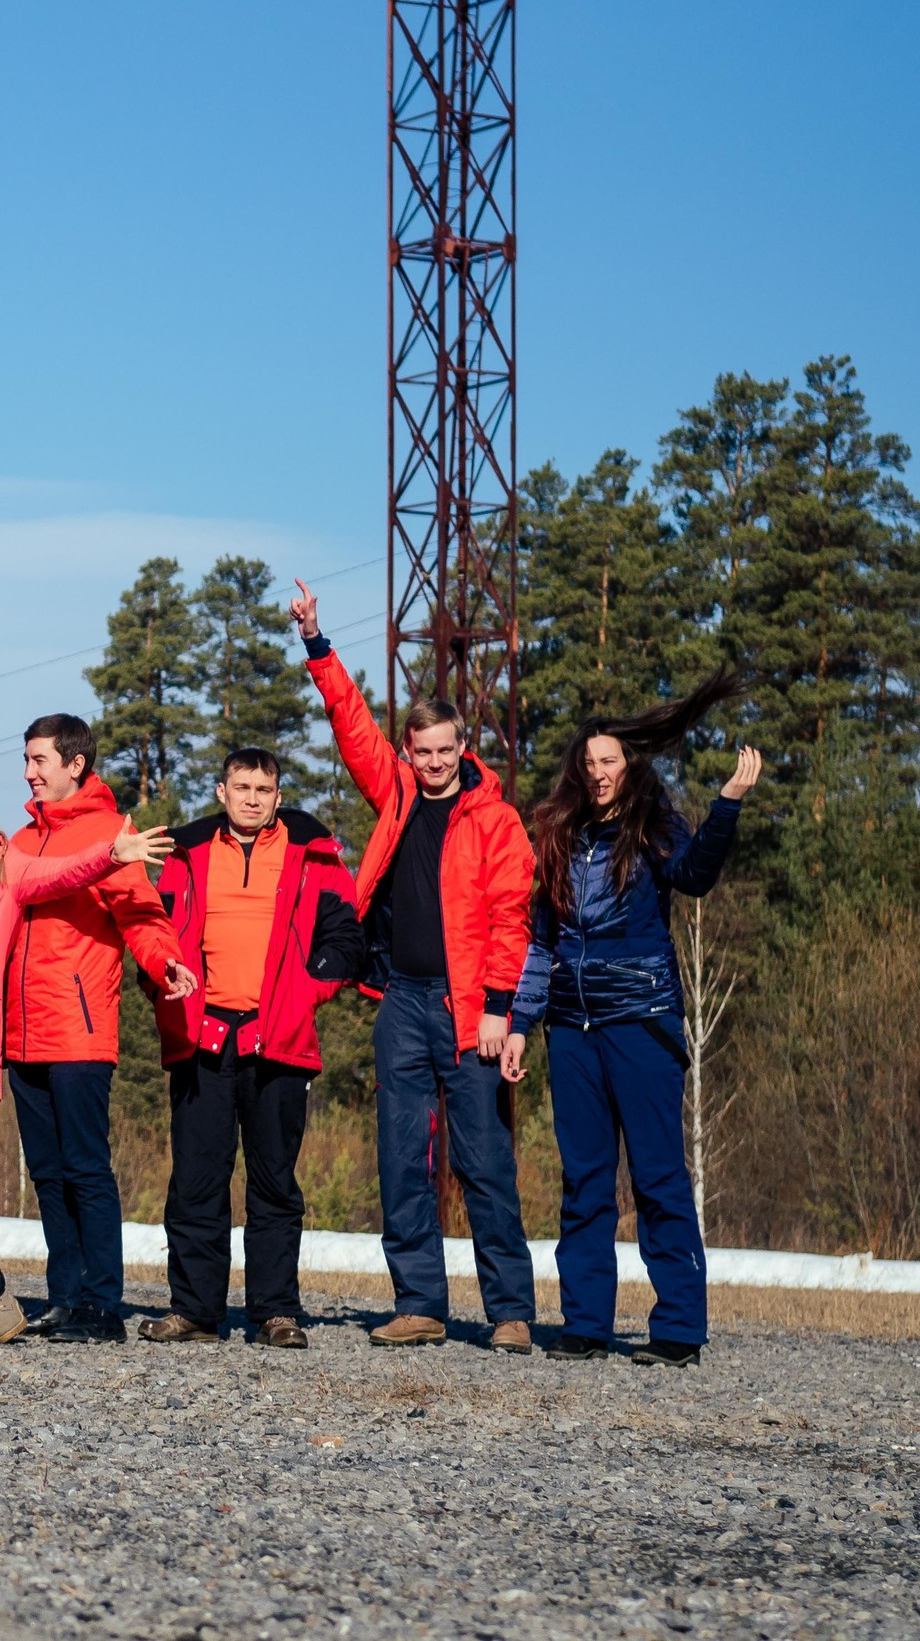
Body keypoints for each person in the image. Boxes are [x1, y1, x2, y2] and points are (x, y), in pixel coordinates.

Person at [291, 579, 537, 1351]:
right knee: (400, 1153)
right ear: (409, 753)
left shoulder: (496, 820)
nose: (431, 762)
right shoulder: (394, 793)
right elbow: (353, 726)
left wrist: (500, 1006)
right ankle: (420, 1303)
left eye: (443, 750)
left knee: (483, 1159)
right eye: (419, 750)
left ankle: (510, 1312)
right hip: (401, 997)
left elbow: (511, 919)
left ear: (465, 749)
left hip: (471, 1009)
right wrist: (318, 645)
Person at [505, 677, 759, 1368]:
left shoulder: (654, 828)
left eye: (609, 762)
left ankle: (678, 1328)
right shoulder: (560, 834)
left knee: (657, 1177)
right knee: (584, 1180)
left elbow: (695, 876)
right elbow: (542, 942)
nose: (598, 774)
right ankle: (584, 1324)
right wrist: (523, 1020)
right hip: (573, 1030)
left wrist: (726, 806)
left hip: (641, 1021)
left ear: (631, 765)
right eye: (588, 764)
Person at [0, 779, 173, 1342]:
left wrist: (110, 855)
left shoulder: (6, 863)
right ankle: (29, 1297)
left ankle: (2, 1297)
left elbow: (62, 873)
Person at [139, 749, 364, 1347]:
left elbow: (346, 934)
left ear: (277, 796)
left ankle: (275, 1313)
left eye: (264, 789)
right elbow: (151, 930)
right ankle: (195, 1311)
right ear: (221, 792)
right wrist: (162, 977)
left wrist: (306, 991)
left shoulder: (311, 854)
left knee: (273, 1183)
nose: (252, 798)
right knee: (196, 1180)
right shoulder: (184, 856)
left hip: (280, 1039)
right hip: (202, 1036)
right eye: (242, 787)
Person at [6, 713, 192, 1343]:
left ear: (74, 765)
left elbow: (142, 914)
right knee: (47, 1172)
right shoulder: (23, 839)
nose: (29, 771)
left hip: (79, 1027)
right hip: (21, 1032)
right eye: (27, 759)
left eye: (39, 760)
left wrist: (165, 963)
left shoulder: (114, 833)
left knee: (85, 1168)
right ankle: (63, 1297)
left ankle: (102, 1304)